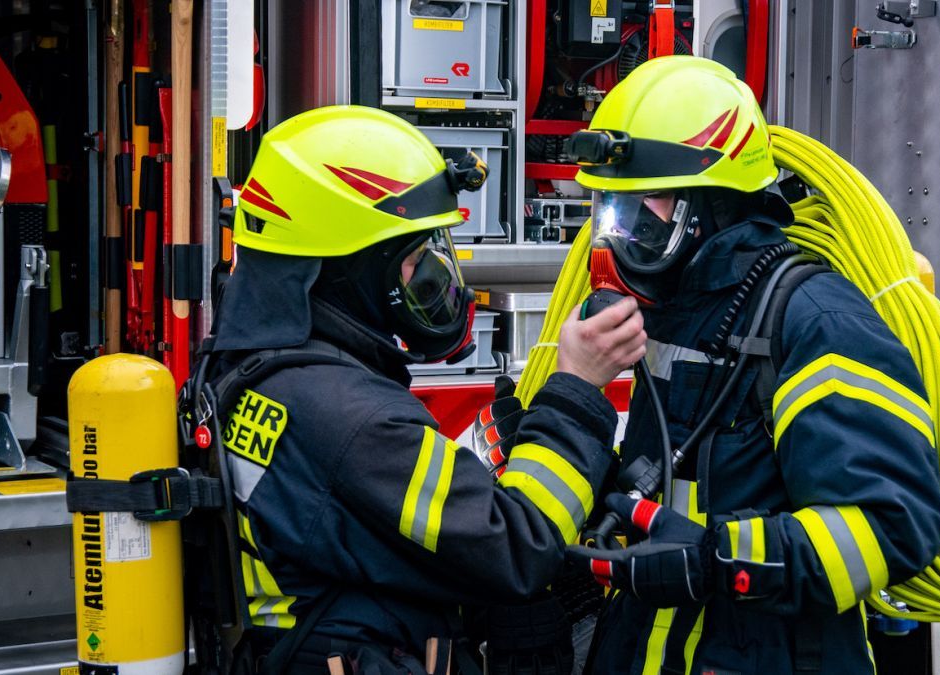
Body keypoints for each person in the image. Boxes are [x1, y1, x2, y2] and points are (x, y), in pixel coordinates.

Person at [205, 105, 646, 674]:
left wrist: (493, 461)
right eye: (413, 257)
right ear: (351, 269)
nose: (433, 275)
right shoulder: (350, 418)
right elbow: (520, 549)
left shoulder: (256, 370)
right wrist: (576, 391)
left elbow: (362, 515)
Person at [564, 56, 940, 674]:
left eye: (645, 205)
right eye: (608, 206)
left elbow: (894, 525)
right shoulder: (672, 311)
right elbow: (674, 471)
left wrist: (719, 559)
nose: (616, 235)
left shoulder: (818, 322)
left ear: (714, 205)